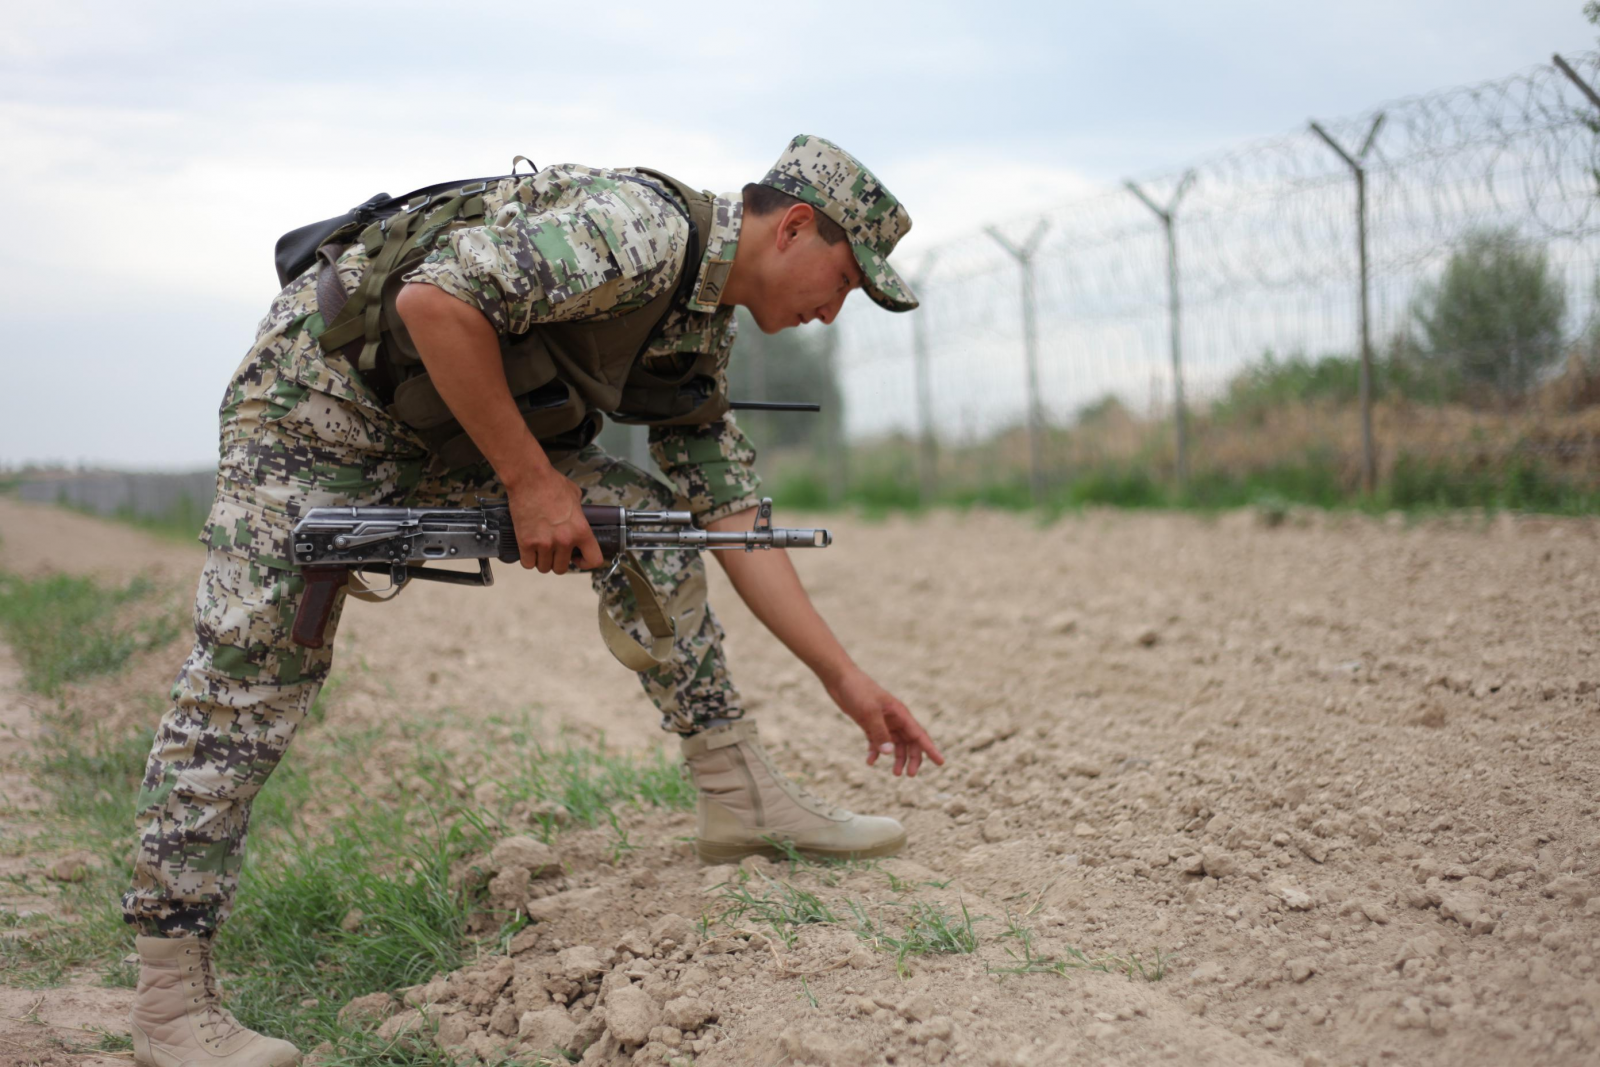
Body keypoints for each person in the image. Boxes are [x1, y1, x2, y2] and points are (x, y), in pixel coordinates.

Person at [121, 135, 945, 1067]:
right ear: (793, 226)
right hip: (313, 415)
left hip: (444, 429)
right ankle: (168, 1003)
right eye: (844, 280)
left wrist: (844, 677)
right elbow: (433, 299)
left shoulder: (697, 325)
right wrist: (530, 481)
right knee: (253, 677)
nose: (834, 312)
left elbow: (732, 518)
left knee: (649, 526)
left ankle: (737, 794)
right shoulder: (636, 231)